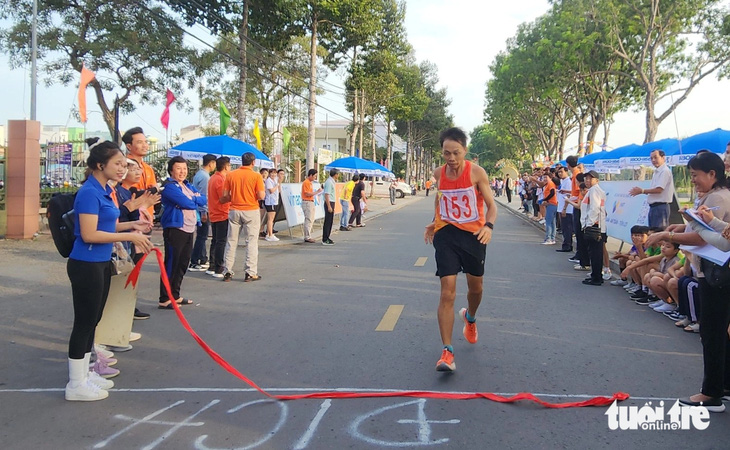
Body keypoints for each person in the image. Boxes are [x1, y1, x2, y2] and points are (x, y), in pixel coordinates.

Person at [65, 138, 153, 401]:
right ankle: (75, 384)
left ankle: (86, 374)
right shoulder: (89, 193)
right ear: (100, 164)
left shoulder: (103, 190)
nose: (122, 169)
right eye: (117, 164)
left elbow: (107, 226)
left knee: (93, 321)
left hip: (101, 263)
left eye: (124, 165)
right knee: (83, 323)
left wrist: (130, 228)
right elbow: (90, 234)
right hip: (86, 264)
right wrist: (129, 238)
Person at [645, 152, 730, 412]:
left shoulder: (716, 197)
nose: (692, 180)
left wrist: (667, 233)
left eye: (695, 175)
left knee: (712, 332)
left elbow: (706, 239)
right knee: (719, 332)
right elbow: (709, 231)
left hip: (716, 274)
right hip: (713, 271)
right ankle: (722, 384)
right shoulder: (715, 195)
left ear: (712, 174)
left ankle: (711, 393)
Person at [424, 127, 497, 372]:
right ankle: (447, 351)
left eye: (456, 153)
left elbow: (491, 206)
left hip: (474, 235)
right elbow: (440, 198)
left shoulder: (477, 173)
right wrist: (434, 221)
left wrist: (488, 226)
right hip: (446, 235)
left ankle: (470, 317)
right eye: (447, 153)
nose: (451, 158)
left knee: (475, 288)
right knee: (447, 291)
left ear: (465, 150)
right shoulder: (438, 173)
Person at [158, 156, 207, 309]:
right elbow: (187, 203)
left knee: (183, 262)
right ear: (171, 170)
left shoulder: (187, 185)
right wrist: (193, 198)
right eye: (178, 168)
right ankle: (165, 297)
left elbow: (203, 199)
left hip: (189, 227)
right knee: (172, 262)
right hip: (175, 228)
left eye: (184, 168)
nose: (182, 172)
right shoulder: (169, 186)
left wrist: (192, 198)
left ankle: (175, 294)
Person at [221, 152, 265, 282]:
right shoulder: (256, 176)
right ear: (253, 162)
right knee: (251, 242)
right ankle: (250, 272)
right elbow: (261, 195)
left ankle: (227, 271)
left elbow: (225, 195)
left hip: (234, 210)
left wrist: (236, 196)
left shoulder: (231, 175)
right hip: (251, 210)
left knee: (231, 241)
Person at [629, 149, 675, 229]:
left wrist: (642, 191)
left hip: (661, 207)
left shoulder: (664, 171)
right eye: (651, 158)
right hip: (654, 207)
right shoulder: (656, 172)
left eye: (655, 157)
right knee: (652, 231)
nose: (653, 160)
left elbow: (659, 189)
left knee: (659, 233)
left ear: (663, 158)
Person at [122, 127, 157, 219]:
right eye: (139, 142)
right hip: (131, 218)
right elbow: (128, 193)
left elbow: (155, 193)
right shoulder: (124, 165)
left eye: (146, 142)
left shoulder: (148, 168)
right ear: (129, 146)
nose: (145, 145)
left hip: (147, 217)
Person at [189, 154, 217, 272]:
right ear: (210, 163)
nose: (215, 166)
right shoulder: (205, 177)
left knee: (202, 235)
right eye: (214, 163)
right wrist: (204, 211)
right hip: (202, 209)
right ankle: (194, 261)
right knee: (202, 236)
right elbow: (204, 195)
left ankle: (202, 258)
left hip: (199, 208)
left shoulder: (200, 174)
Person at [580, 170, 606, 286]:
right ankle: (595, 275)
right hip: (595, 224)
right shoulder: (592, 191)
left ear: (597, 180)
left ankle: (596, 277)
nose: (587, 181)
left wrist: (589, 224)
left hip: (595, 226)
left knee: (595, 253)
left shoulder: (595, 190)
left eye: (590, 178)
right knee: (594, 252)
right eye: (586, 178)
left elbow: (594, 208)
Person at [207, 156, 231, 278]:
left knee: (216, 240)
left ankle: (212, 265)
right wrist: (233, 196)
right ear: (226, 166)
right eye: (230, 166)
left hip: (214, 212)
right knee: (221, 241)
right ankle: (218, 266)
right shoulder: (220, 180)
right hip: (221, 213)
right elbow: (222, 198)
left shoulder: (213, 178)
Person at [301, 169, 322, 243]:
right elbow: (307, 193)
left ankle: (308, 235)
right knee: (309, 219)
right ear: (310, 175)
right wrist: (316, 192)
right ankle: (307, 236)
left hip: (310, 201)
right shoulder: (306, 183)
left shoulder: (310, 183)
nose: (315, 177)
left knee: (311, 219)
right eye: (315, 176)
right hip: (307, 202)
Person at [556, 166, 574, 253]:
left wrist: (564, 209)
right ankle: (566, 244)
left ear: (566, 171)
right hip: (561, 207)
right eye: (558, 172)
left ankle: (567, 245)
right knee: (564, 228)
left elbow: (569, 195)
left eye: (561, 172)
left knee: (567, 228)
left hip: (567, 209)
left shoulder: (568, 182)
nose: (560, 174)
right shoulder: (562, 181)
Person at [322, 168, 339, 246]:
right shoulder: (329, 182)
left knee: (330, 221)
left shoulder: (332, 182)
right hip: (329, 202)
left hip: (332, 202)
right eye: (337, 174)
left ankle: (327, 237)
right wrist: (329, 206)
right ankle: (325, 239)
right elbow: (327, 194)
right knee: (328, 221)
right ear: (335, 174)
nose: (338, 175)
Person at [263, 167, 281, 241]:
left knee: (272, 219)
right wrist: (277, 186)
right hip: (270, 202)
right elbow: (271, 190)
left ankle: (269, 233)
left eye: (275, 173)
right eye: (272, 173)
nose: (273, 174)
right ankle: (270, 235)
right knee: (270, 219)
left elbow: (278, 190)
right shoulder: (269, 181)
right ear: (269, 174)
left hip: (274, 201)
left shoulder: (275, 180)